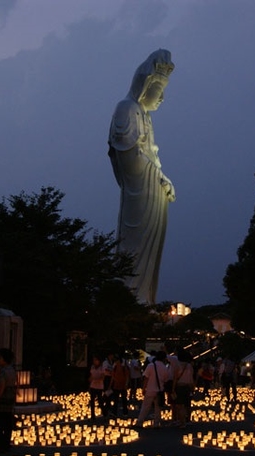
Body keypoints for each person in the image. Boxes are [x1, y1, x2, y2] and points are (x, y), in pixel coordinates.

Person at [108, 49, 176, 305]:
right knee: (133, 248)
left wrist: (163, 178)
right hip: (140, 192)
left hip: (152, 192)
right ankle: (131, 300)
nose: (163, 98)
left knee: (150, 253)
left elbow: (151, 154)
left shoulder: (144, 115)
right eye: (160, 90)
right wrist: (157, 178)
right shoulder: (126, 108)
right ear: (145, 86)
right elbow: (129, 155)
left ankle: (145, 301)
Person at [135, 351, 170, 428]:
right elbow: (166, 380)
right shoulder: (165, 368)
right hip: (159, 390)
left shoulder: (151, 366)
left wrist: (143, 388)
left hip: (150, 389)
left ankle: (139, 422)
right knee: (158, 408)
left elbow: (146, 378)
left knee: (145, 407)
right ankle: (156, 423)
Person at [0, 348, 17, 453]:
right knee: (7, 423)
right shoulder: (12, 370)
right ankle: (6, 444)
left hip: (2, 401)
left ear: (3, 358)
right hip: (10, 399)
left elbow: (2, 385)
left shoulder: (3, 372)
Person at [172, 350, 195, 428]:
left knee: (179, 405)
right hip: (188, 387)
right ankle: (188, 420)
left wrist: (173, 389)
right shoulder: (189, 366)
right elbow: (191, 378)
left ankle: (182, 422)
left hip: (180, 387)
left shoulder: (177, 366)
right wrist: (192, 388)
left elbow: (175, 378)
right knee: (187, 405)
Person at [88, 355, 106, 419]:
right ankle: (93, 416)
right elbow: (91, 376)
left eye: (95, 360)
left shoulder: (102, 368)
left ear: (98, 361)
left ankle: (104, 413)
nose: (94, 361)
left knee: (100, 401)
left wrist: (97, 380)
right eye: (93, 360)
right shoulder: (92, 367)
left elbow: (103, 377)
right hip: (93, 386)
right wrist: (90, 381)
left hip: (99, 387)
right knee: (92, 401)